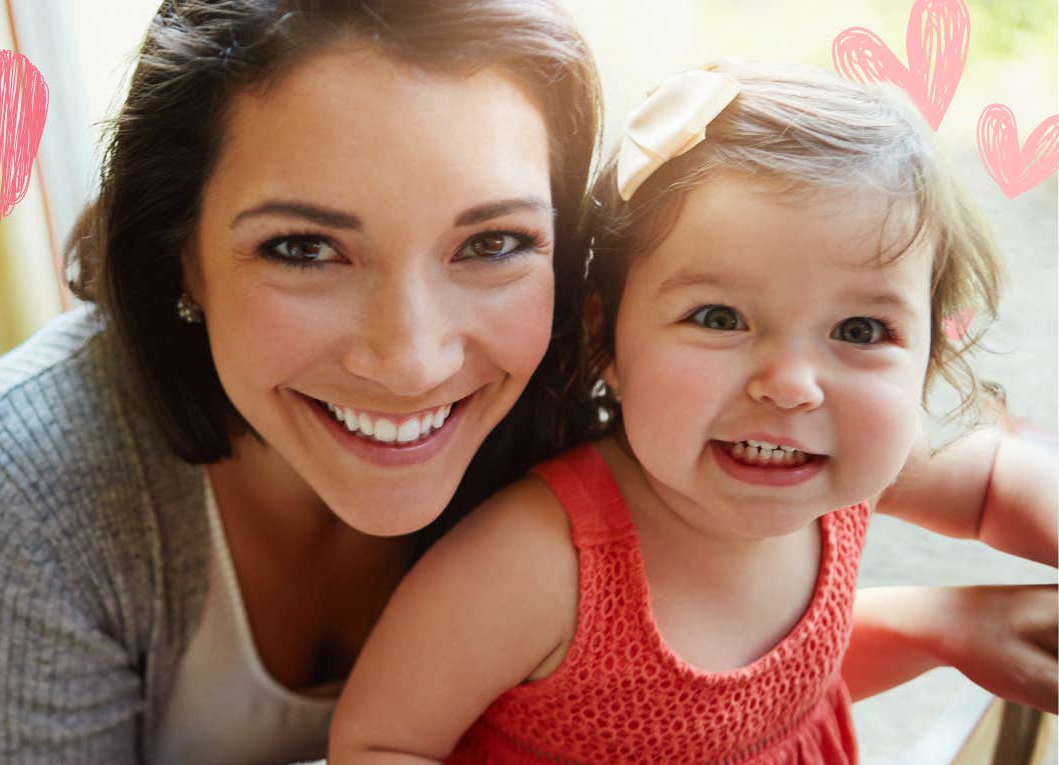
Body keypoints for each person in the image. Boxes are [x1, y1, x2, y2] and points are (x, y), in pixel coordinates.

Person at [0, 4, 1055, 762]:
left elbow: (681, 695)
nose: (410, 359)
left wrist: (945, 621)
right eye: (303, 248)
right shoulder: (30, 481)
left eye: (492, 242)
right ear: (178, 252)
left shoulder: (651, 378)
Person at [329, 62, 1058, 764]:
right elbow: (381, 742)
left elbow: (996, 482)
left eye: (860, 330)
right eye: (718, 316)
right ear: (603, 336)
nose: (792, 385)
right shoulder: (539, 564)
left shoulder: (857, 461)